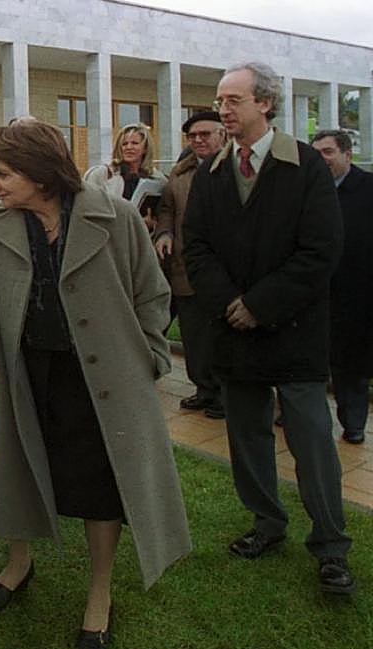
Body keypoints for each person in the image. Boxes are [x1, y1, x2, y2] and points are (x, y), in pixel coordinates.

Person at [0, 118, 189, 649]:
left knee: (99, 484)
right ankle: (19, 565)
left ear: (41, 175)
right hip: (32, 367)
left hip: (104, 375)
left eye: (4, 174)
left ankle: (100, 594)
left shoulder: (118, 217)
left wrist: (152, 354)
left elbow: (151, 291)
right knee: (20, 471)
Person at [183, 61, 354, 596]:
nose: (223, 110)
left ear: (266, 104)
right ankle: (267, 523)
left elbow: (320, 251)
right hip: (233, 334)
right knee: (247, 437)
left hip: (293, 332)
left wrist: (259, 304)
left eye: (234, 100)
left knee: (311, 441)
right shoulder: (210, 172)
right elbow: (197, 249)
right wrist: (231, 304)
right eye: (220, 99)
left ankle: (330, 545)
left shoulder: (305, 166)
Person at [154, 111, 227, 419]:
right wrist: (165, 232)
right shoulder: (181, 174)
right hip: (185, 268)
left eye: (205, 134)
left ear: (222, 135)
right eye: (193, 136)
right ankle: (204, 389)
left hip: (225, 271)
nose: (198, 140)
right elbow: (167, 209)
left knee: (222, 335)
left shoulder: (237, 169)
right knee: (194, 336)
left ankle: (224, 393)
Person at [311, 128, 373, 444]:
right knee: (313, 360)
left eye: (328, 152)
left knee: (351, 366)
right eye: (316, 152)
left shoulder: (368, 189)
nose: (321, 159)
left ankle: (353, 423)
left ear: (348, 155)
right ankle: (305, 417)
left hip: (356, 293)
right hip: (315, 294)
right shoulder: (307, 190)